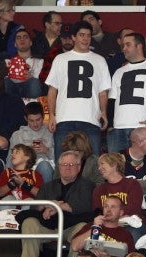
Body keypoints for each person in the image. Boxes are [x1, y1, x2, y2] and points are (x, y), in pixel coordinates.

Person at [19, 151, 95, 257]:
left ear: (79, 167)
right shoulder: (47, 186)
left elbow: (85, 207)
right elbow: (35, 207)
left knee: (82, 227)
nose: (67, 167)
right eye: (64, 164)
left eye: (71, 164)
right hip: (48, 227)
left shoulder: (87, 185)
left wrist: (58, 206)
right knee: (29, 222)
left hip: (71, 227)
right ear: (58, 167)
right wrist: (47, 205)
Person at [45, 20, 110, 159]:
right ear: (73, 37)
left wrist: (104, 113)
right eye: (81, 35)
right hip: (64, 118)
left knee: (92, 165)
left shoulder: (100, 60)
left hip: (91, 119)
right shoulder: (60, 59)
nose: (85, 38)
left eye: (88, 35)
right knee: (61, 163)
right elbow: (52, 90)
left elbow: (103, 92)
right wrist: (51, 115)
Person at [108, 32, 146, 153]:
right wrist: (111, 125)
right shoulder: (119, 72)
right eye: (123, 45)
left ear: (139, 46)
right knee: (115, 170)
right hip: (118, 129)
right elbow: (112, 99)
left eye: (128, 45)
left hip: (143, 128)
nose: (124, 48)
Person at [53, 196, 136, 257]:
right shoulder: (90, 226)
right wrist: (95, 227)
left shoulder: (125, 234)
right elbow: (75, 247)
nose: (108, 210)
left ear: (121, 212)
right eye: (106, 206)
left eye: (113, 207)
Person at [92, 152, 146, 241]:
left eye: (102, 164)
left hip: (131, 225)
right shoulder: (98, 190)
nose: (99, 168)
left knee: (131, 234)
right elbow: (97, 211)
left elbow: (134, 207)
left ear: (114, 164)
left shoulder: (132, 184)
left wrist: (114, 215)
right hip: (107, 225)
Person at [7, 102, 55, 184]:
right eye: (31, 120)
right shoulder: (17, 135)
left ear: (43, 116)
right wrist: (28, 151)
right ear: (26, 119)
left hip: (46, 167)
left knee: (44, 166)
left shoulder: (51, 132)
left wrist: (47, 150)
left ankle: (46, 195)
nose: (35, 124)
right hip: (23, 169)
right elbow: (10, 159)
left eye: (38, 120)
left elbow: (59, 158)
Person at [0, 144, 43, 210]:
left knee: (29, 201)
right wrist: (12, 184)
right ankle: (5, 219)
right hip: (8, 206)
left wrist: (24, 184)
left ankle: (27, 219)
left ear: (27, 157)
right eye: (12, 152)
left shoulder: (35, 174)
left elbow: (41, 195)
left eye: (17, 152)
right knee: (8, 199)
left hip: (26, 205)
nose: (12, 154)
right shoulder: (6, 172)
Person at [4, 29, 44, 99]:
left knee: (34, 82)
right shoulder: (8, 61)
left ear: (31, 42)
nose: (22, 39)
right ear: (15, 44)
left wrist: (32, 76)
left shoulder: (40, 61)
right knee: (6, 80)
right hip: (13, 93)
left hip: (32, 97)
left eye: (25, 37)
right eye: (18, 38)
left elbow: (44, 83)